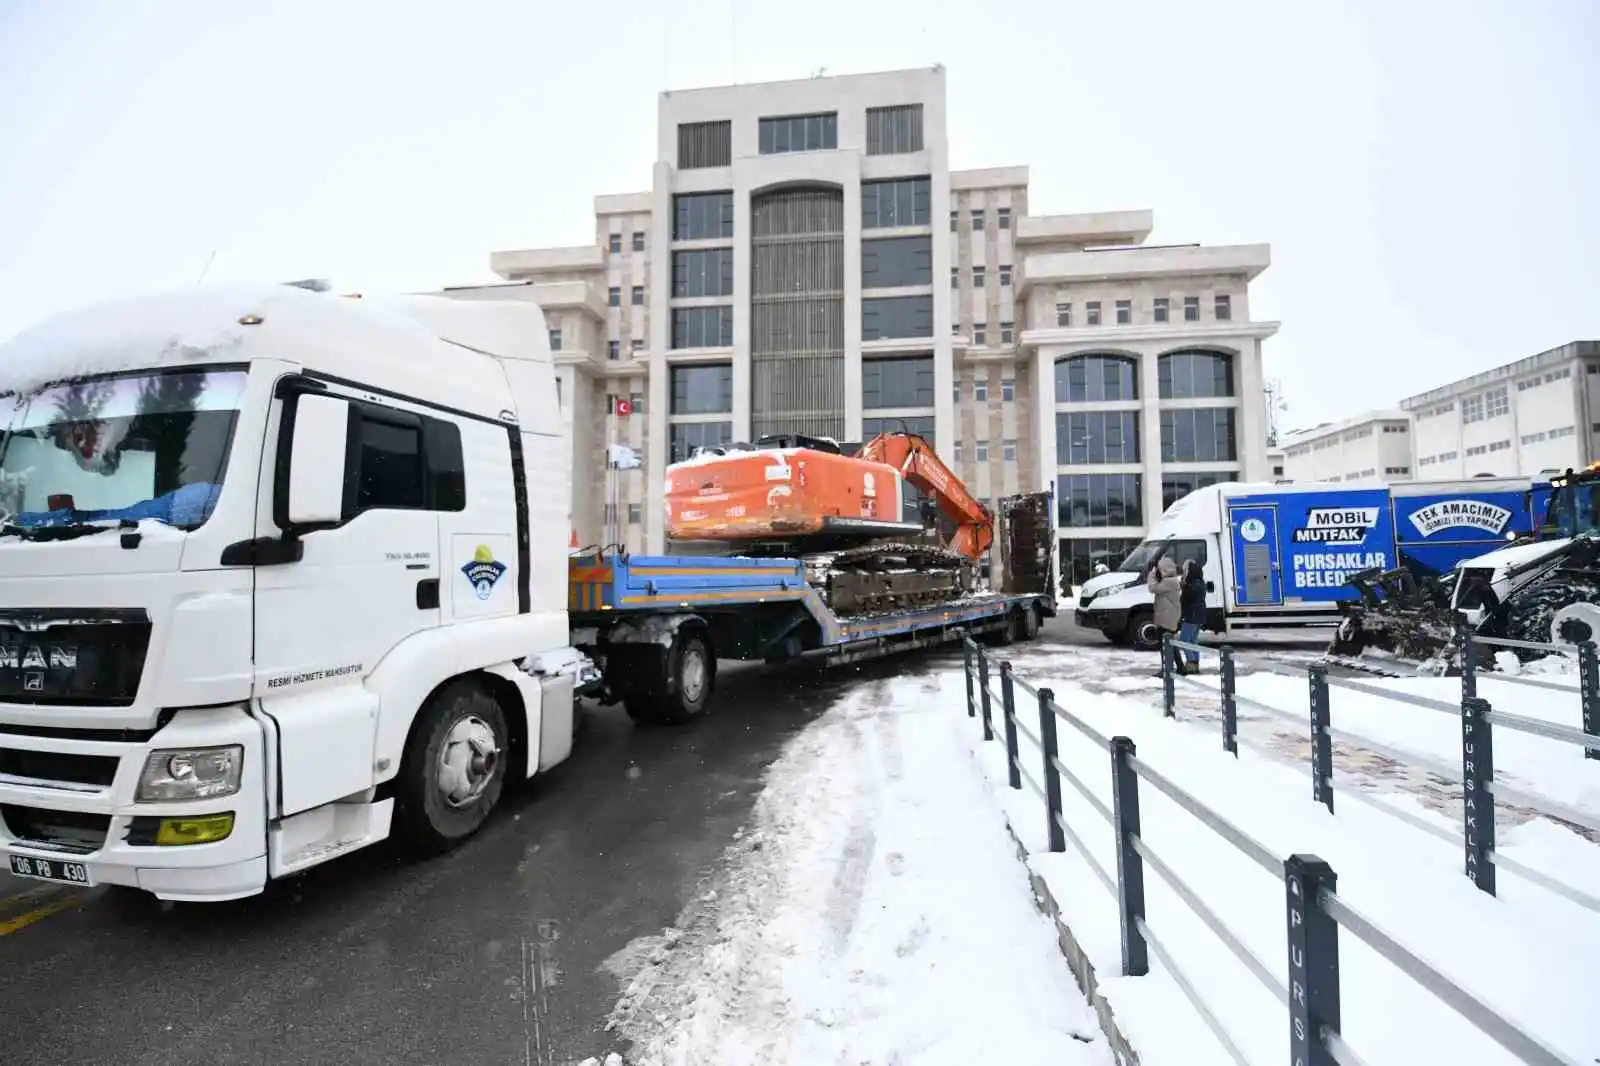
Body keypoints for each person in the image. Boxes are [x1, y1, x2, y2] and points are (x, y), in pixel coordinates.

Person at [1146, 554, 1181, 677]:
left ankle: (1167, 670)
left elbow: (1153, 588)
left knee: (1164, 645)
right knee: (1170, 643)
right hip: (1168, 616)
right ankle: (1180, 667)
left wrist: (1151, 574)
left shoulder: (1169, 582)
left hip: (1167, 617)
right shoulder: (1172, 580)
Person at [1177, 559, 1207, 674]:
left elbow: (1184, 600)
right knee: (1193, 641)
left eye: (1186, 571)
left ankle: (1191, 663)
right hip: (1199, 615)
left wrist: (1183, 586)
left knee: (1184, 640)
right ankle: (1195, 664)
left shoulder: (1191, 586)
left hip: (1191, 616)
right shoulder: (1200, 583)